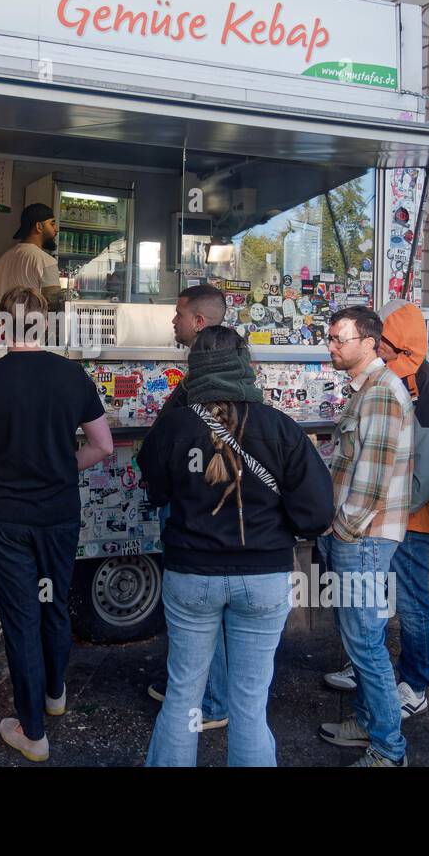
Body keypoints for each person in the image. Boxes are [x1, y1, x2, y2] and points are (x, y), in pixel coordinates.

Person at [139, 327, 333, 766]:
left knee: (184, 694)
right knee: (250, 703)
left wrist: (181, 400)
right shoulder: (280, 427)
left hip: (191, 575)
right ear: (247, 365)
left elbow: (154, 486)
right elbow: (318, 512)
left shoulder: (176, 425)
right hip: (264, 578)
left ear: (194, 371)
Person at [0, 287, 113, 761]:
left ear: (2, 326)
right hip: (59, 514)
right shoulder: (72, 375)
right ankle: (55, 694)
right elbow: (102, 446)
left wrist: (1, 476)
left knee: (21, 619)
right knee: (54, 603)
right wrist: (60, 468)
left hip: (5, 518)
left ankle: (33, 731)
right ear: (46, 324)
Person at [322, 300, 429, 721]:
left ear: (390, 342)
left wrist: (389, 511)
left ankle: (414, 684)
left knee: (409, 601)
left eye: (380, 340)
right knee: (372, 609)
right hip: (391, 514)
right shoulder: (400, 380)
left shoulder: (424, 385)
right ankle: (371, 673)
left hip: (407, 515)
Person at [316, 306, 414, 767]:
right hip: (361, 535)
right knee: (359, 639)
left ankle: (389, 749)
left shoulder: (380, 393)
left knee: (367, 644)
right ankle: (368, 724)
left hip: (364, 537)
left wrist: (342, 532)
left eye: (340, 338)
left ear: (369, 342)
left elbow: (372, 482)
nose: (332, 345)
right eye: (331, 337)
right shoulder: (368, 389)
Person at [145, 284, 232, 726]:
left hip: (193, 513)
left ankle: (211, 700)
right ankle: (197, 686)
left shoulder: (201, 380)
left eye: (179, 314)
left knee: (201, 610)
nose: (172, 321)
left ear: (199, 321)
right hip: (216, 514)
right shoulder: (230, 374)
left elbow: (164, 447)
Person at [0, 203, 63, 322]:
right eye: (52, 223)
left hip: (3, 336)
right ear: (39, 226)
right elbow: (54, 308)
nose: (56, 229)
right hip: (31, 336)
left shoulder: (1, 261)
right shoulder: (46, 261)